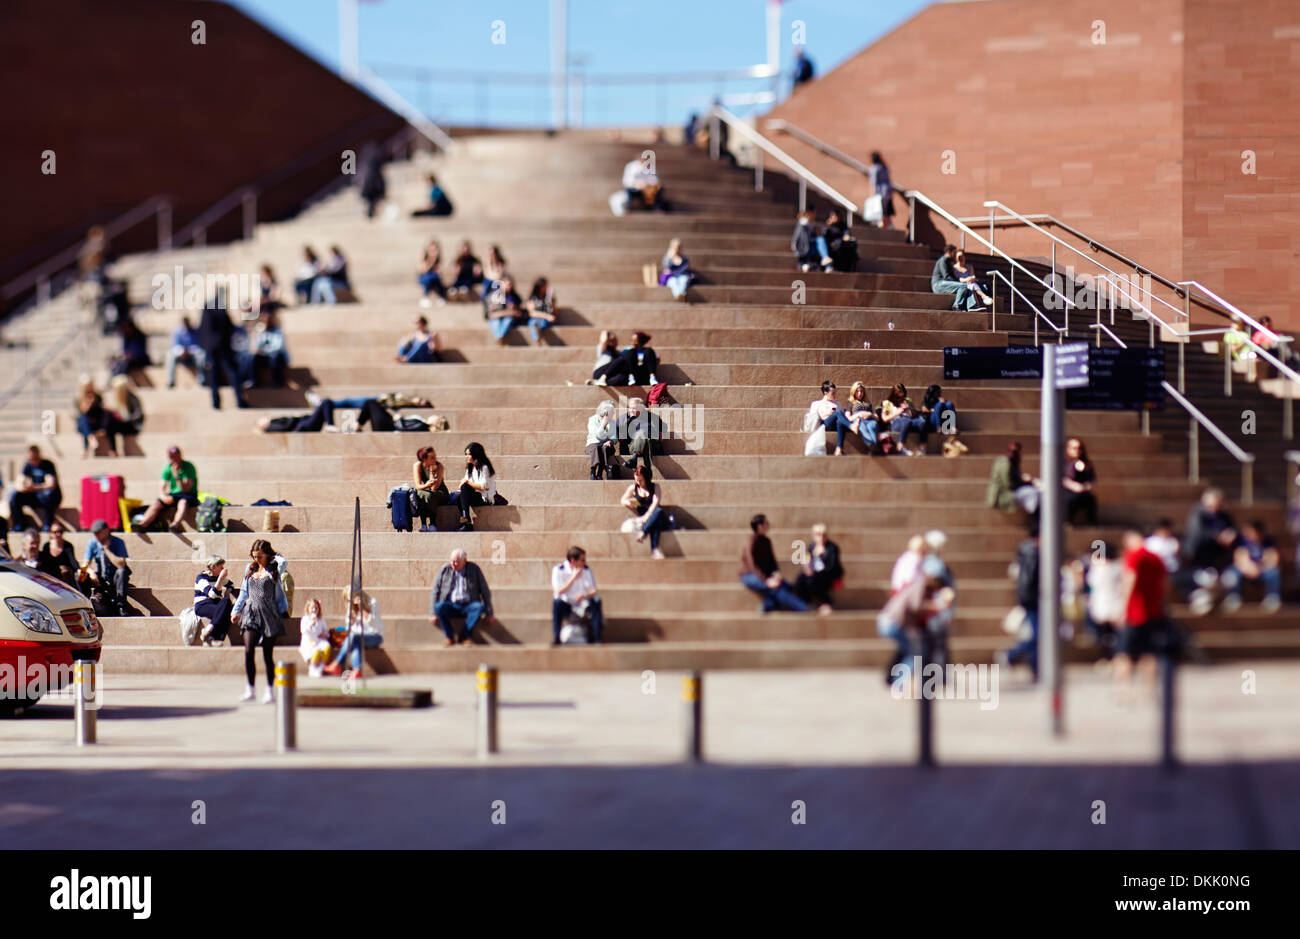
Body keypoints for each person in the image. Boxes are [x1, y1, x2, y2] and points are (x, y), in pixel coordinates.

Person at [231, 539, 289, 703]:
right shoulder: (250, 569)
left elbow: (283, 561)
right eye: (254, 556)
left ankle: (270, 690)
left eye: (260, 556)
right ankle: (250, 688)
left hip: (269, 613)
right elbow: (243, 592)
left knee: (267, 654)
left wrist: (273, 556)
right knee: (249, 650)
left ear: (267, 555)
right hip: (250, 612)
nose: (256, 559)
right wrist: (236, 610)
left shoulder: (274, 569)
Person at [1114, 528, 1172, 689]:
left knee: (1123, 653)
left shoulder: (1134, 556)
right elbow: (1165, 585)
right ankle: (1150, 688)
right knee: (1150, 653)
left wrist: (1123, 608)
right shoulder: (1156, 558)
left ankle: (1124, 689)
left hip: (1134, 613)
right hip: (1154, 612)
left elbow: (1130, 579)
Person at [997, 522, 1041, 680]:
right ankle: (1011, 655)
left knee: (1037, 635)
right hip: (1034, 599)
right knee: (1036, 635)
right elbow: (1029, 578)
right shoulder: (1034, 553)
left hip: (1029, 597)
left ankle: (1035, 669)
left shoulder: (1025, 550)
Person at [1181, 487, 1237, 612]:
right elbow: (1197, 533)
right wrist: (1217, 536)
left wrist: (1230, 535)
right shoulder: (1198, 514)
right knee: (1203, 578)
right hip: (1198, 555)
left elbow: (1232, 529)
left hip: (1218, 556)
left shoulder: (1223, 515)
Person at [739, 514, 808, 612]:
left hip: (765, 575)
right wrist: (766, 581)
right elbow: (752, 564)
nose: (768, 525)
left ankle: (767, 605)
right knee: (776, 589)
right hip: (749, 575)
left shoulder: (767, 541)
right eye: (766, 523)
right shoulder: (751, 540)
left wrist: (776, 573)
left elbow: (772, 561)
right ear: (759, 526)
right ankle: (804, 608)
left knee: (786, 585)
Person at [429, 548, 494, 646]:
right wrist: (432, 613)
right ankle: (450, 637)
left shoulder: (474, 569)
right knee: (439, 607)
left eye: (457, 562)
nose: (453, 564)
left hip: (468, 605)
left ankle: (464, 636)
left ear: (464, 561)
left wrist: (489, 612)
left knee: (479, 607)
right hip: (451, 604)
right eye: (452, 561)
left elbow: (484, 590)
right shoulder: (445, 569)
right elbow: (435, 591)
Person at [197, 299, 249, 409]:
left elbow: (203, 331)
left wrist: (206, 347)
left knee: (214, 376)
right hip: (223, 348)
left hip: (212, 349)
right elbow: (229, 327)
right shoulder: (220, 310)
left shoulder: (207, 312)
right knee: (232, 373)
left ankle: (216, 403)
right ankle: (239, 400)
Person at [1221, 520, 1282, 612]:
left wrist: (1260, 566)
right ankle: (1233, 597)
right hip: (1246, 569)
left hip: (1262, 570)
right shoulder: (1242, 541)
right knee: (1231, 572)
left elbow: (1273, 558)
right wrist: (1249, 567)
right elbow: (1239, 557)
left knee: (1274, 572)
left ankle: (1272, 598)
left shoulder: (1268, 541)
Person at [134, 446, 199, 532]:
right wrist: (163, 497)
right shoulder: (168, 468)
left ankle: (175, 524)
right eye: (171, 457)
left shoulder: (188, 467)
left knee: (183, 502)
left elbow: (186, 489)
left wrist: (177, 476)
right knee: (157, 503)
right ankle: (143, 524)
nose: (173, 459)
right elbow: (162, 486)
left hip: (188, 494)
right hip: (174, 494)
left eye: (175, 456)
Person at [326, 586, 384, 677]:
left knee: (352, 638)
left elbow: (372, 621)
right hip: (358, 638)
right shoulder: (352, 609)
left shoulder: (372, 602)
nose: (353, 601)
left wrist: (363, 608)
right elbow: (350, 628)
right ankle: (357, 670)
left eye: (353, 597)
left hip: (375, 636)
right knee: (354, 642)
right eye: (350, 599)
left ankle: (337, 663)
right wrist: (351, 621)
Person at [551, 546, 603, 644]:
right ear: (573, 561)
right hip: (567, 604)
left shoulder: (586, 570)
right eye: (582, 560)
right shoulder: (559, 569)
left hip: (582, 604)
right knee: (557, 603)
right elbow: (558, 591)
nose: (584, 563)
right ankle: (556, 638)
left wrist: (584, 595)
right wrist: (573, 577)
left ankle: (597, 638)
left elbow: (593, 590)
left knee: (596, 601)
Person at [81, 520, 133, 617]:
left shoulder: (118, 542)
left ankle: (121, 606)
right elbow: (85, 563)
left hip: (115, 576)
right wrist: (91, 571)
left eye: (98, 533)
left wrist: (106, 550)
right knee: (80, 574)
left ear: (106, 531)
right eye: (94, 534)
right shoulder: (92, 543)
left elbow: (121, 564)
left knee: (122, 572)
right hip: (101, 577)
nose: (96, 536)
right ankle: (84, 602)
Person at [1083, 542, 1124, 662]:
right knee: (1114, 636)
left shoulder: (1098, 569)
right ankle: (1115, 658)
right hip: (1115, 606)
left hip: (1101, 606)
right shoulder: (1119, 567)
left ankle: (1107, 658)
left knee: (1103, 636)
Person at [621, 463, 668, 560]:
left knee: (658, 511)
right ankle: (655, 550)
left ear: (646, 478)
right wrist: (631, 503)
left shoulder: (655, 487)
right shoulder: (633, 488)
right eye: (636, 480)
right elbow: (623, 500)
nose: (638, 482)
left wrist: (647, 516)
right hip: (645, 520)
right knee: (656, 523)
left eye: (641, 480)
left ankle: (644, 533)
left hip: (653, 515)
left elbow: (656, 502)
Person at [10, 445, 61, 531]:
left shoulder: (47, 465)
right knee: (15, 496)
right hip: (35, 495)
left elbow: (51, 484)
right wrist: (24, 487)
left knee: (49, 494)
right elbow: (19, 482)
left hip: (47, 496)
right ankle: (20, 523)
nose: (33, 460)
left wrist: (34, 487)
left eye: (35, 458)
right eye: (31, 458)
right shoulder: (28, 466)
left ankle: (48, 523)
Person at [449, 442, 497, 532]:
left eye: (469, 455)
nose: (467, 457)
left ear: (476, 455)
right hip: (474, 495)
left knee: (465, 488)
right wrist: (464, 484)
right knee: (460, 496)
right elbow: (464, 484)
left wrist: (466, 482)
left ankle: (465, 518)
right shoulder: (470, 468)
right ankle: (467, 523)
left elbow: (483, 487)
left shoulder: (484, 468)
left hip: (485, 498)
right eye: (466, 455)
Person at [795, 523, 842, 614]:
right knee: (801, 579)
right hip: (813, 574)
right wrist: (806, 566)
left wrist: (821, 556)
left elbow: (832, 567)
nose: (821, 537)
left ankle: (826, 602)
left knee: (813, 580)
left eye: (823, 535)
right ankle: (806, 603)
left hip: (827, 574)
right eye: (818, 534)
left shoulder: (832, 548)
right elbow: (806, 559)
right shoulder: (812, 546)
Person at [808, 380, 861, 456]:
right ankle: (851, 426)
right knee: (838, 412)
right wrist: (827, 413)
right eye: (833, 393)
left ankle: (839, 449)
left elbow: (842, 417)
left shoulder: (837, 404)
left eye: (835, 392)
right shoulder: (817, 404)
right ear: (826, 393)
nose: (835, 395)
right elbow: (812, 417)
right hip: (824, 424)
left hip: (835, 425)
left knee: (839, 420)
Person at [240, 309, 289, 388]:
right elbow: (256, 345)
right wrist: (257, 332)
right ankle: (253, 380)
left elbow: (278, 346)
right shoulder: (260, 330)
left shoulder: (277, 331)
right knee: (251, 357)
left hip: (275, 356)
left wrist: (266, 351)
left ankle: (277, 381)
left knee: (275, 357)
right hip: (265, 356)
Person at [987, 441, 1039, 515]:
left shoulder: (1011, 463)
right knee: (1032, 493)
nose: (1013, 454)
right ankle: (1034, 517)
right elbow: (1009, 485)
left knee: (1035, 492)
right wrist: (1027, 483)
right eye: (1011, 451)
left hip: (1011, 491)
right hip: (1004, 495)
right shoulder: (1005, 464)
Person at [194, 555, 236, 646]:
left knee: (226, 601)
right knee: (225, 613)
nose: (223, 568)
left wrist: (228, 591)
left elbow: (231, 585)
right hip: (203, 605)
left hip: (216, 604)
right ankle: (216, 638)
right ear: (213, 568)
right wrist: (221, 578)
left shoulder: (218, 577)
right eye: (221, 566)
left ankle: (209, 630)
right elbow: (212, 594)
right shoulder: (202, 578)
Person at [881, 383, 929, 456]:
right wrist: (898, 412)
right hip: (895, 423)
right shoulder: (887, 403)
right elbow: (885, 419)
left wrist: (908, 409)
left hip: (908, 421)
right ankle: (900, 447)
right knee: (905, 421)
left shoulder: (907, 401)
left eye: (902, 396)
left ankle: (922, 448)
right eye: (898, 397)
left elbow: (912, 416)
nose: (900, 398)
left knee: (922, 422)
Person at [617, 397, 663, 472]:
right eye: (630, 408)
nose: (631, 410)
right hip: (631, 447)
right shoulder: (623, 419)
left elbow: (661, 437)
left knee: (643, 434)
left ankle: (634, 459)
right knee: (641, 434)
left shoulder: (653, 418)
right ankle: (648, 469)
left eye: (634, 408)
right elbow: (620, 438)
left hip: (652, 446)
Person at [75, 376, 117, 457]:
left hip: (98, 421)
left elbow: (102, 409)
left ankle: (112, 449)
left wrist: (95, 401)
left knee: (108, 416)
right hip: (86, 424)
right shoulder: (79, 398)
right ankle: (89, 440)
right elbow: (80, 412)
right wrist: (88, 404)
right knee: (84, 419)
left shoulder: (97, 396)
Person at [412, 445, 448, 532]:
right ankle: (423, 524)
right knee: (421, 494)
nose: (435, 459)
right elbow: (418, 485)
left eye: (435, 456)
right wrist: (426, 486)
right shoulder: (418, 465)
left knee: (429, 494)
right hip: (425, 491)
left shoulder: (439, 467)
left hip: (440, 493)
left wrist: (432, 471)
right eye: (432, 457)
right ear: (424, 459)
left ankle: (432, 523)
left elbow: (434, 488)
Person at [1063, 437, 1099, 525]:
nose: (1077, 451)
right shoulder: (1062, 464)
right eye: (1074, 448)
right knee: (1070, 499)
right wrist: (1072, 486)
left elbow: (1091, 481)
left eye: (1079, 448)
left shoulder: (1086, 464)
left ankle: (1092, 523)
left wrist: (1084, 487)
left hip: (1082, 491)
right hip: (1067, 491)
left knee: (1090, 498)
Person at [165, 316, 205, 388]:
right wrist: (182, 351)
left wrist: (189, 351)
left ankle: (201, 380)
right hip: (180, 353)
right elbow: (175, 346)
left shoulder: (195, 331)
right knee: (169, 355)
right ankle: (171, 381)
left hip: (192, 352)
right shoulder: (177, 332)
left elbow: (198, 345)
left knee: (201, 355)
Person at [105, 374, 143, 445]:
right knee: (109, 420)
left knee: (111, 422)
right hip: (122, 424)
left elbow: (138, 415)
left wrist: (126, 419)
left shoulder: (133, 399)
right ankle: (113, 449)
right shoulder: (117, 398)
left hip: (132, 425)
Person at [38, 523, 79, 588]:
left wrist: (78, 569)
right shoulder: (46, 546)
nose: (58, 534)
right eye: (55, 532)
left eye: (60, 532)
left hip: (65, 578)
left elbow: (73, 561)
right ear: (50, 533)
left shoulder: (68, 546)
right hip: (51, 576)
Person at [586, 400, 620, 480]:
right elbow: (597, 437)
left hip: (606, 445)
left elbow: (614, 437)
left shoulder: (612, 422)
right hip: (593, 444)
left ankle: (600, 472)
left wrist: (611, 441)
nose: (613, 414)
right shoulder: (592, 420)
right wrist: (602, 426)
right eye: (611, 412)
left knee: (605, 448)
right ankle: (593, 471)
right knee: (596, 447)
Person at [297, 598, 331, 677]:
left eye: (316, 608)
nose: (314, 610)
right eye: (312, 608)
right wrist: (311, 624)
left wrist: (324, 634)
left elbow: (326, 631)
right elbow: (303, 631)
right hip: (308, 641)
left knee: (326, 647)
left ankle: (321, 667)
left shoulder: (321, 620)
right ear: (308, 609)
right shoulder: (305, 619)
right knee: (316, 650)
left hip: (318, 640)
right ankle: (312, 668)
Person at [485, 276, 524, 343]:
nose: (509, 286)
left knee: (508, 319)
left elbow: (519, 311)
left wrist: (514, 309)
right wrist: (509, 312)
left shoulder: (514, 297)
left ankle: (499, 337)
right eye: (506, 284)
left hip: (510, 320)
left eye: (510, 284)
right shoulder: (494, 296)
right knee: (495, 321)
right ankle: (499, 337)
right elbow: (492, 315)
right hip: (495, 319)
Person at [843, 381, 880, 451]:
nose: (859, 393)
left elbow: (877, 418)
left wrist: (870, 414)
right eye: (857, 391)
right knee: (862, 427)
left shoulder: (869, 403)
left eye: (861, 391)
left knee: (872, 426)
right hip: (859, 420)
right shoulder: (850, 403)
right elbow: (848, 418)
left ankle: (874, 447)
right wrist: (857, 415)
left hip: (870, 420)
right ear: (854, 392)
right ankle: (871, 444)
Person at [523, 277, 557, 345]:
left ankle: (537, 339)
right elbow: (532, 313)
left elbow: (554, 311)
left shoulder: (549, 297)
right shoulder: (532, 298)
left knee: (541, 322)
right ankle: (537, 340)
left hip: (547, 319)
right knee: (533, 321)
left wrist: (550, 297)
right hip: (539, 317)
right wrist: (546, 316)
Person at [358, 144, 386, 219]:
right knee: (372, 200)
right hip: (372, 186)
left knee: (371, 200)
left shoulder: (365, 163)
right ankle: (371, 212)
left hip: (370, 186)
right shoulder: (370, 163)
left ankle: (371, 212)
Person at [868, 151, 895, 229]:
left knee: (879, 210)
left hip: (879, 191)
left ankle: (882, 225)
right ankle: (889, 225)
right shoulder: (884, 166)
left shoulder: (874, 168)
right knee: (885, 210)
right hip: (888, 190)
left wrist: (872, 194)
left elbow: (873, 183)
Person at [417, 240, 447, 307]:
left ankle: (441, 297)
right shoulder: (425, 258)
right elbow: (423, 270)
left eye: (434, 249)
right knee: (429, 278)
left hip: (436, 279)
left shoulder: (438, 259)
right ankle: (426, 297)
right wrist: (431, 261)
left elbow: (441, 272)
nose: (433, 251)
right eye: (431, 249)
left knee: (436, 277)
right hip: (425, 278)